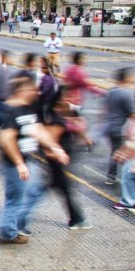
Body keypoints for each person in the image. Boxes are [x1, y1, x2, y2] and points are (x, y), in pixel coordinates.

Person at [0, 77, 69, 244]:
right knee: (15, 199)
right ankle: (8, 233)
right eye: (31, 89)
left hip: (27, 160)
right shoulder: (13, 110)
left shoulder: (28, 110)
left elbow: (38, 131)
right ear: (22, 91)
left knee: (35, 191)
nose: (36, 92)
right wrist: (19, 163)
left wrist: (56, 148)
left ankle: (14, 224)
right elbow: (6, 138)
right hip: (16, 163)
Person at [16, 87, 92, 234]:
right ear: (60, 99)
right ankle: (18, 221)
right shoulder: (55, 119)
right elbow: (48, 144)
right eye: (68, 96)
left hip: (58, 164)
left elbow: (75, 114)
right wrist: (58, 154)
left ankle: (76, 219)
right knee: (40, 193)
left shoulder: (58, 112)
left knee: (60, 190)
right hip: (57, 163)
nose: (71, 99)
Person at [105, 68, 135, 185]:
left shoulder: (112, 91)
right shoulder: (125, 94)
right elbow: (132, 114)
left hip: (110, 126)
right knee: (123, 153)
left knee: (116, 152)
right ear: (125, 78)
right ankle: (117, 177)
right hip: (120, 128)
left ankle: (111, 176)